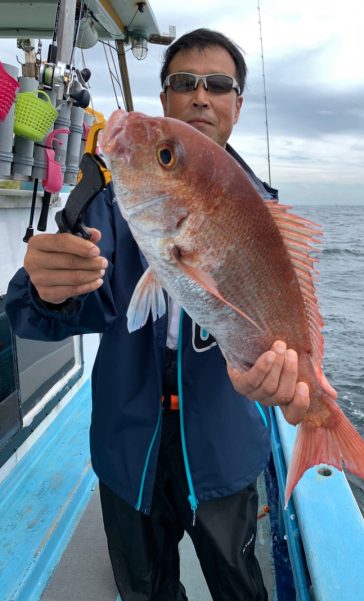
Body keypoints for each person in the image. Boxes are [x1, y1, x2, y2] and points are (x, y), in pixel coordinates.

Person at [6, 29, 309, 601]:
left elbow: (288, 332)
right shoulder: (108, 200)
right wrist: (43, 291)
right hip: (129, 456)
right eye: (183, 83)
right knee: (144, 590)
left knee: (240, 589)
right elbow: (42, 315)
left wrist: (290, 383)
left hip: (223, 457)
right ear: (165, 98)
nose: (200, 97)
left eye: (218, 85)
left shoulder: (265, 216)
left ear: (237, 105)